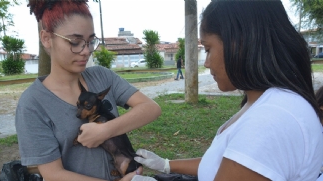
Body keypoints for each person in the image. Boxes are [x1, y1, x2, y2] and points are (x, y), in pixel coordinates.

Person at [134, 1, 323, 181]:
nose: (207, 63)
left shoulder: (270, 120)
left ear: (239, 43)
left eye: (208, 49)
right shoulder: (269, 101)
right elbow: (225, 163)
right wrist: (167, 165)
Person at [15, 1, 161, 181]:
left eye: (91, 41)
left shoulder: (101, 76)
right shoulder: (33, 104)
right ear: (46, 38)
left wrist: (106, 130)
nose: (86, 51)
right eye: (75, 42)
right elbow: (53, 174)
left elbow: (151, 108)